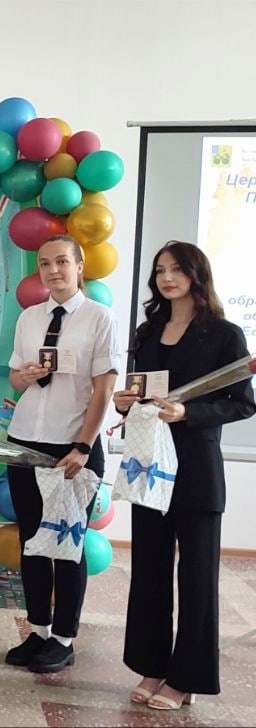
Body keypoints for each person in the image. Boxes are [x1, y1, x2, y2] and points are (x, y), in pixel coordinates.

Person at [116, 242, 254, 710]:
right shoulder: (148, 331)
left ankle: (186, 678)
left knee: (197, 578)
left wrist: (188, 413)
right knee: (149, 573)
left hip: (196, 468)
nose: (167, 277)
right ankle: (152, 666)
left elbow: (242, 403)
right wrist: (126, 402)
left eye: (176, 269)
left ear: (197, 274)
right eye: (160, 270)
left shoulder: (225, 334)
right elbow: (142, 393)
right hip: (148, 466)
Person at [3, 234, 118, 673]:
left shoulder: (98, 317)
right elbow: (16, 379)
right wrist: (27, 374)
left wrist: (84, 445)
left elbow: (104, 387)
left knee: (68, 544)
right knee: (33, 541)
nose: (53, 270)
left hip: (72, 445)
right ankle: (38, 630)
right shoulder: (29, 317)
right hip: (26, 438)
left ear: (79, 266)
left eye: (62, 262)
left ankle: (64, 639)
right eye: (45, 263)